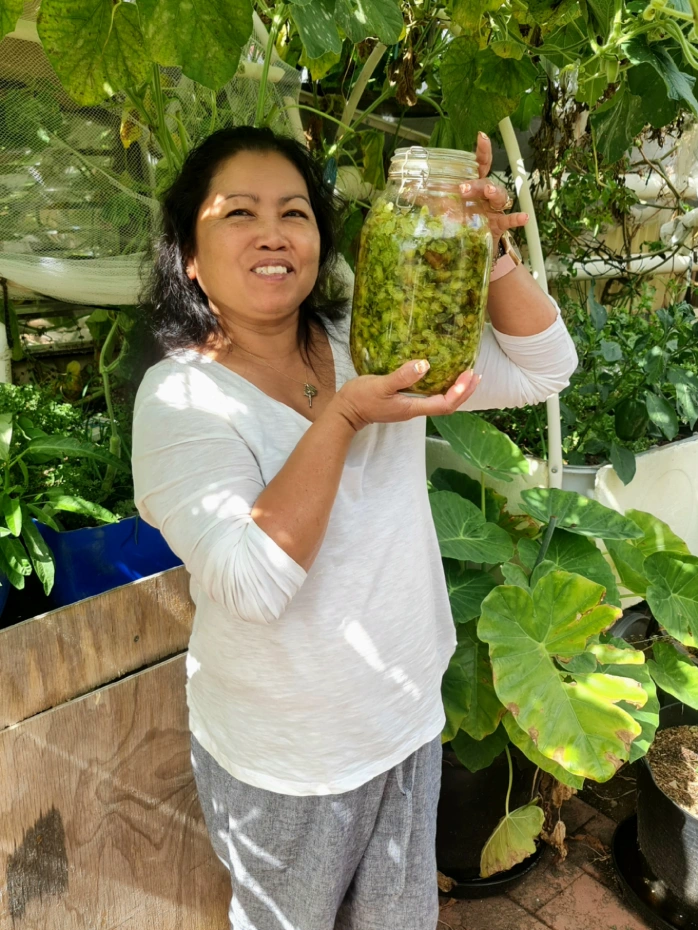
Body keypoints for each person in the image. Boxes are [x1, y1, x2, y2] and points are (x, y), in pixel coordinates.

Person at [132, 125, 577, 930]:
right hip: (288, 757)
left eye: (294, 212)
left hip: (404, 715)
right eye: (238, 213)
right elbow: (252, 581)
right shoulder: (180, 401)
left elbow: (545, 367)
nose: (272, 231)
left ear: (321, 241)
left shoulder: (367, 339)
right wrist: (341, 417)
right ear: (188, 255)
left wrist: (489, 250)